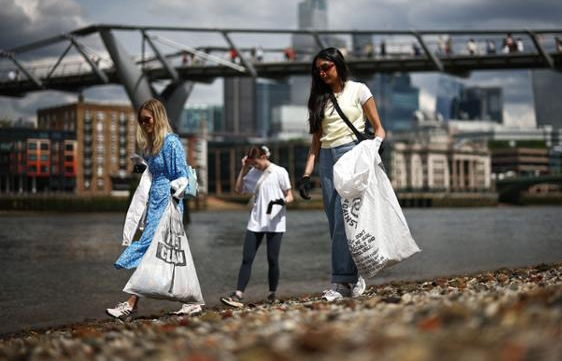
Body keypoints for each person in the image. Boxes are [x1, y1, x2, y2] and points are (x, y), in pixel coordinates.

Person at [298, 47, 385, 302]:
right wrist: (306, 176)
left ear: (339, 64)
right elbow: (315, 142)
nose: (322, 73)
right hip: (327, 158)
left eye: (326, 67)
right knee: (334, 221)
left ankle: (341, 282)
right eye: (318, 70)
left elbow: (379, 129)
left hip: (352, 155)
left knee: (343, 219)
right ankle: (354, 275)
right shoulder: (318, 100)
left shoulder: (360, 90)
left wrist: (373, 149)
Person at [106, 98, 203, 320]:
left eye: (147, 119)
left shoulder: (171, 143)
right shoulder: (154, 145)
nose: (144, 124)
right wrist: (144, 166)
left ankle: (131, 305)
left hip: (169, 203)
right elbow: (154, 172)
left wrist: (172, 196)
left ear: (157, 117)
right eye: (141, 121)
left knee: (152, 249)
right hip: (155, 203)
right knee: (167, 252)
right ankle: (190, 302)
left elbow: (180, 176)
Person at [220, 146, 294, 308]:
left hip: (275, 222)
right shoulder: (251, 173)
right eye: (252, 164)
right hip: (255, 222)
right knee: (247, 258)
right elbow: (238, 190)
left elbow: (290, 195)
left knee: (272, 259)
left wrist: (283, 201)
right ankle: (238, 294)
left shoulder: (280, 172)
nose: (255, 167)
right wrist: (244, 168)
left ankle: (272, 294)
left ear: (263, 156)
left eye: (256, 164)